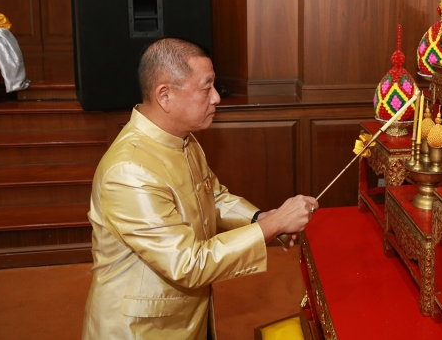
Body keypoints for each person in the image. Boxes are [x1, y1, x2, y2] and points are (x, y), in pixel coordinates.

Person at [82, 38, 318, 340]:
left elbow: (213, 196)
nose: (217, 98)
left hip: (186, 311)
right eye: (206, 88)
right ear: (164, 95)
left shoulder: (183, 138)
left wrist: (260, 218)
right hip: (142, 328)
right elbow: (187, 264)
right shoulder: (129, 171)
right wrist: (273, 225)